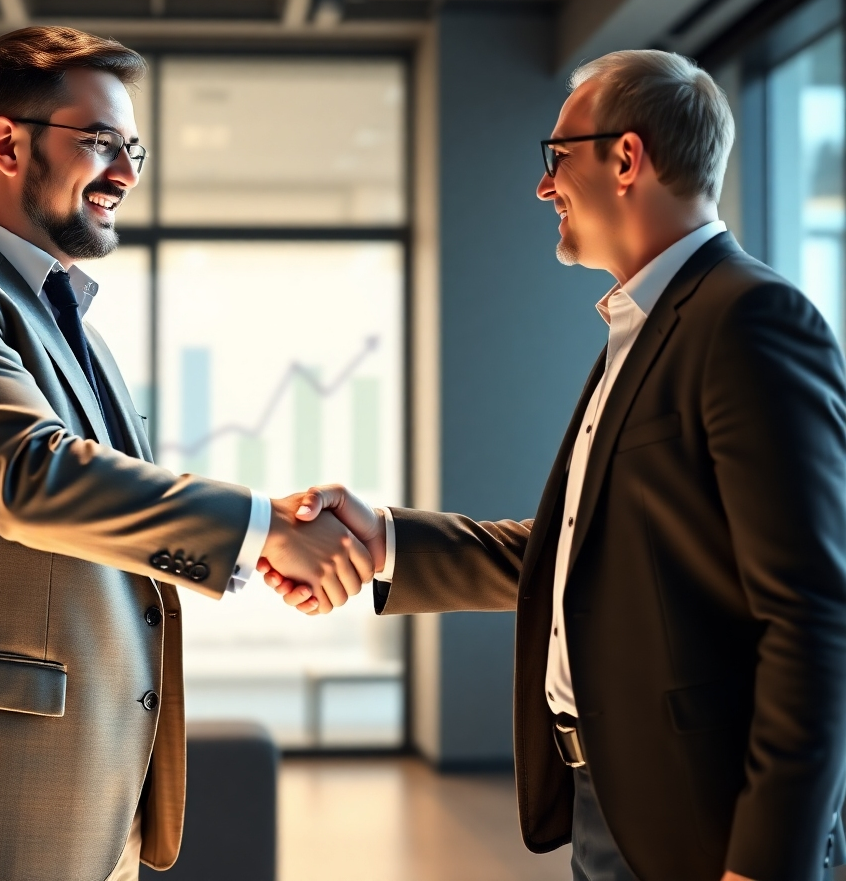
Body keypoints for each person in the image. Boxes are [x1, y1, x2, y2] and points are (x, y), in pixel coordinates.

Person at [263, 50, 846, 881]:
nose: (544, 187)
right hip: (611, 798)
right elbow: (584, 553)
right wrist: (384, 538)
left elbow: (813, 619)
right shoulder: (642, 324)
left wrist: (765, 865)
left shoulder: (749, 318)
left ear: (625, 158)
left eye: (556, 157)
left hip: (709, 827)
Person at [0, 25, 375, 881]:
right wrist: (264, 527)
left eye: (134, 148)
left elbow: (111, 519)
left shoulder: (70, 321)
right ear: (6, 142)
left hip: (84, 805)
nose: (124, 172)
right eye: (101, 143)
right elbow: (31, 479)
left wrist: (266, 529)